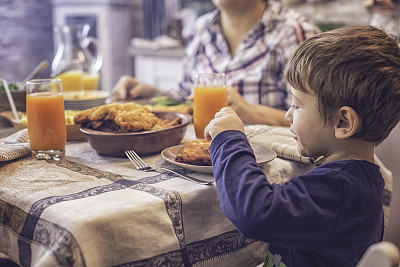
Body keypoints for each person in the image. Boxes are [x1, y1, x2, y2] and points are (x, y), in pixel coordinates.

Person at [203, 25, 400, 266]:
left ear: (343, 122)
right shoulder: (358, 179)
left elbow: (253, 212)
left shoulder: (339, 190)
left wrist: (230, 139)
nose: (287, 115)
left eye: (297, 105)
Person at [112, 0, 320, 126]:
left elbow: (316, 121)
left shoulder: (295, 32)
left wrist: (249, 111)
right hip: (204, 154)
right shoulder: (201, 28)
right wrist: (152, 93)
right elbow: (186, 98)